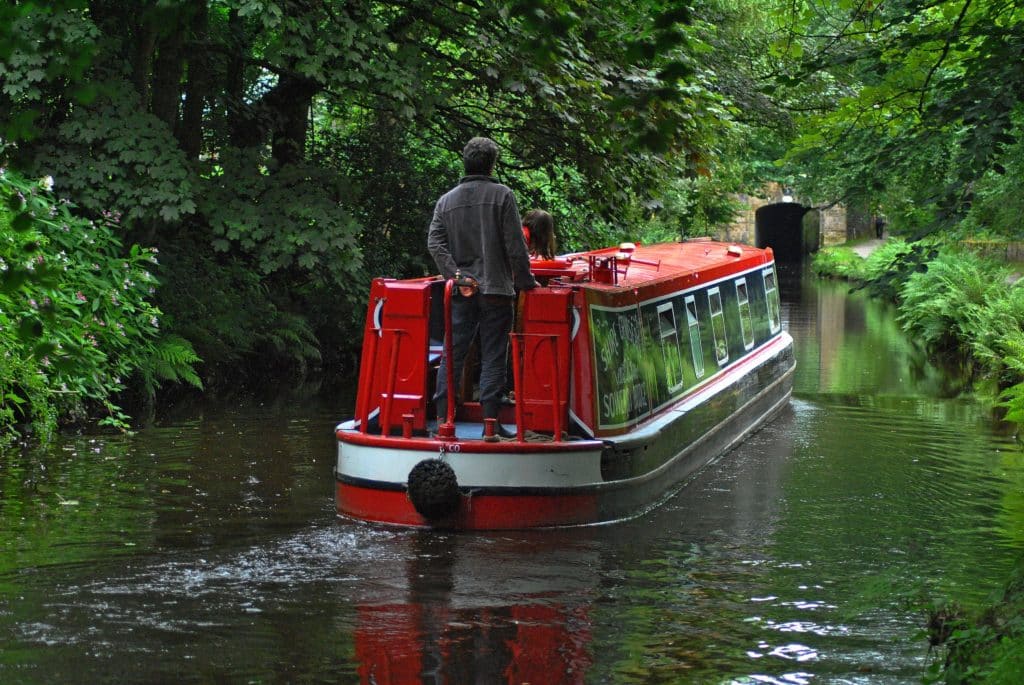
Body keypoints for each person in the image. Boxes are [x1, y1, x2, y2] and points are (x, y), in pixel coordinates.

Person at [427, 137, 538, 437]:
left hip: (461, 293)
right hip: (497, 290)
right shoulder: (502, 196)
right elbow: (516, 247)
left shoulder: (446, 201)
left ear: (465, 160)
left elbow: (435, 243)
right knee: (493, 354)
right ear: (491, 164)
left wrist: (457, 276)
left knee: (453, 352)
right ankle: (491, 424)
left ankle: (442, 420)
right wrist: (527, 282)